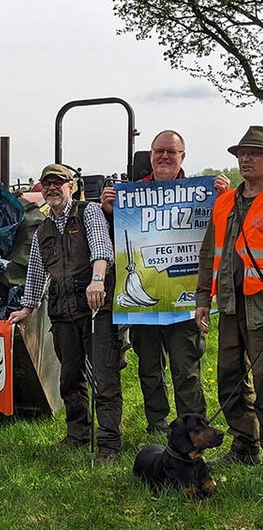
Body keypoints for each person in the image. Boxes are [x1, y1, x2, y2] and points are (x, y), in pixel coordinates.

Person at [101, 130, 230, 434]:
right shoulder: (132, 194)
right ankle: (157, 425)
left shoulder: (202, 191)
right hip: (144, 304)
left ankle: (194, 428)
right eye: (159, 151)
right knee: (149, 369)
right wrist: (110, 211)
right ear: (150, 155)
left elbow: (225, 225)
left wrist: (224, 197)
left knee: (187, 369)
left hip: (184, 301)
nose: (164, 156)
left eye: (172, 152)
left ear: (183, 156)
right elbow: (114, 240)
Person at [9, 164, 122, 461]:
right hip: (61, 311)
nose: (52, 188)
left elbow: (102, 248)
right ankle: (77, 433)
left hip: (95, 308)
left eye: (58, 183)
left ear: (71, 187)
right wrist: (27, 307)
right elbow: (35, 271)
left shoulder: (89, 212)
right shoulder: (43, 229)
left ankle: (109, 443)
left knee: (104, 377)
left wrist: (97, 280)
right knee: (69, 378)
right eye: (47, 184)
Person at [196, 125, 263, 465]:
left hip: (260, 306)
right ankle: (245, 446)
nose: (245, 159)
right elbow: (210, 256)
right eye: (241, 154)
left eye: (253, 153)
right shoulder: (225, 203)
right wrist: (202, 301)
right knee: (230, 378)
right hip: (231, 304)